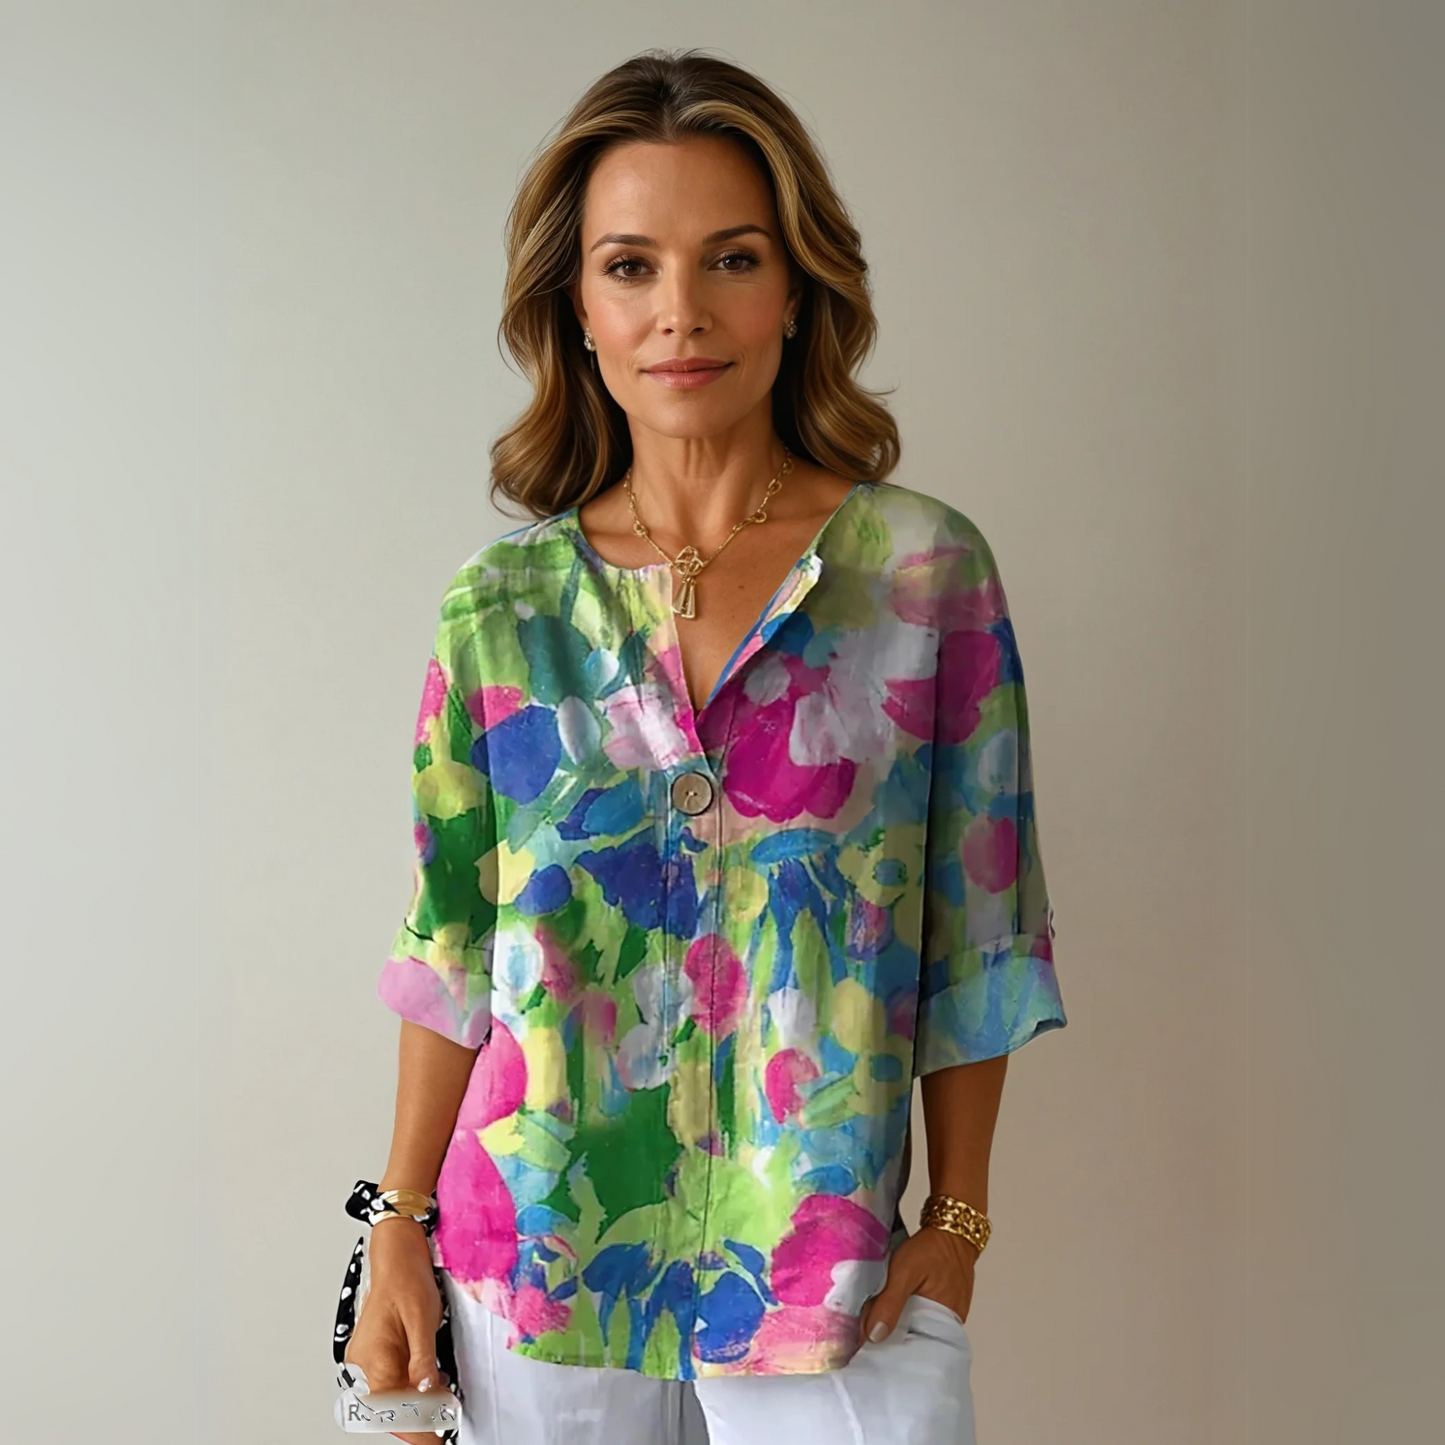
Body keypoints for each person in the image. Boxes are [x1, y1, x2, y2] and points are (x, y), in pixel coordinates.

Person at [338, 47, 1067, 1445]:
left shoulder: (923, 577)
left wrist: (959, 1219)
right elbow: (449, 948)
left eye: (732, 259)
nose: (682, 311)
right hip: (535, 1255)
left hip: (832, 1269)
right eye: (631, 267)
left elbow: (980, 934)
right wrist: (397, 1229)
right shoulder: (502, 609)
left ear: (797, 289)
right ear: (578, 309)